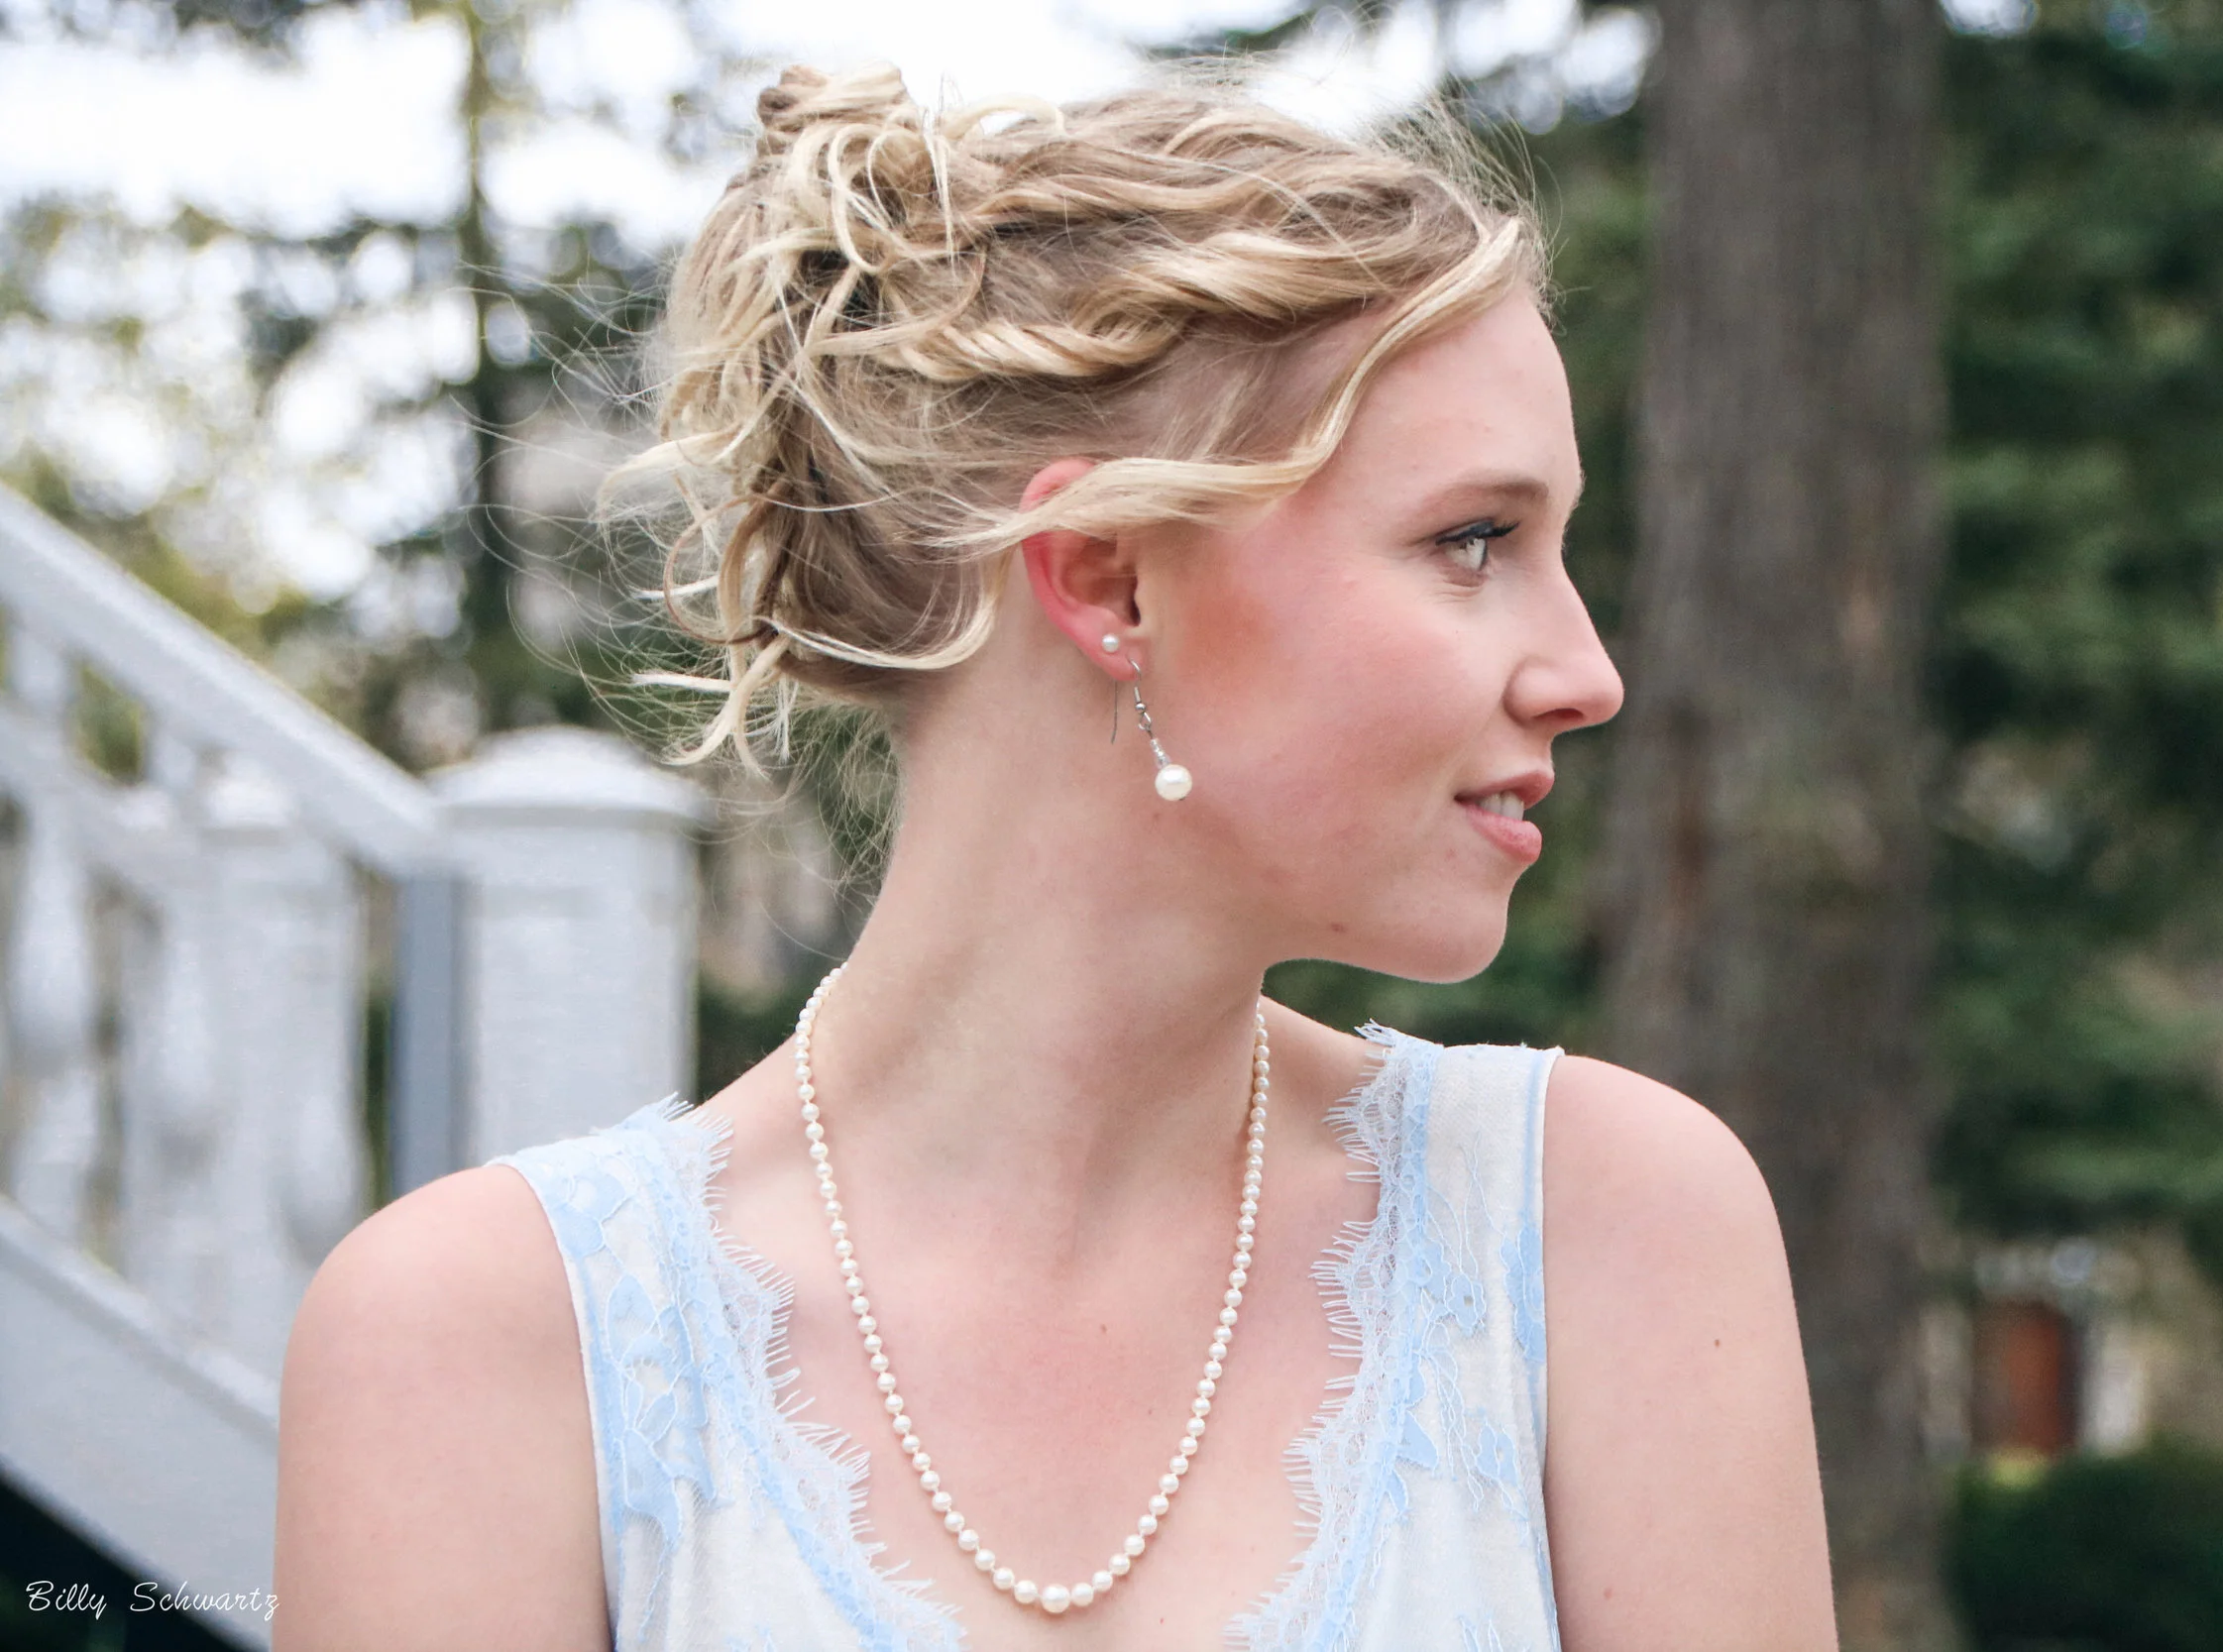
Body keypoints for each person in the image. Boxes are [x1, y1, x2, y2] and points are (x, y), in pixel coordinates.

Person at [272, 61, 1835, 1652]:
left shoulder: (1607, 1235)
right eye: (1474, 541)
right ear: (1109, 581)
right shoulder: (484, 1343)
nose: (1587, 673)